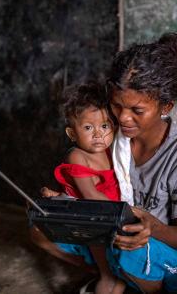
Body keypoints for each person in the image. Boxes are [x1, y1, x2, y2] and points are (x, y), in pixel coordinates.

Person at [31, 33, 177, 294]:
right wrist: (67, 204)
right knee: (40, 228)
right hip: (115, 235)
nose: (123, 118)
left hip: (172, 257)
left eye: (137, 110)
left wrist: (151, 226)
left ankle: (138, 283)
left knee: (130, 248)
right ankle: (111, 276)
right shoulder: (111, 136)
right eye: (116, 106)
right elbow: (92, 187)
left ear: (166, 106)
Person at [33, 81, 126, 294]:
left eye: (104, 126)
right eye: (88, 127)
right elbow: (90, 195)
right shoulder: (78, 156)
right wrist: (124, 213)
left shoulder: (113, 151)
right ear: (72, 134)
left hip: (113, 214)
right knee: (107, 272)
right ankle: (105, 278)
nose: (98, 134)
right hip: (95, 218)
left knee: (120, 262)